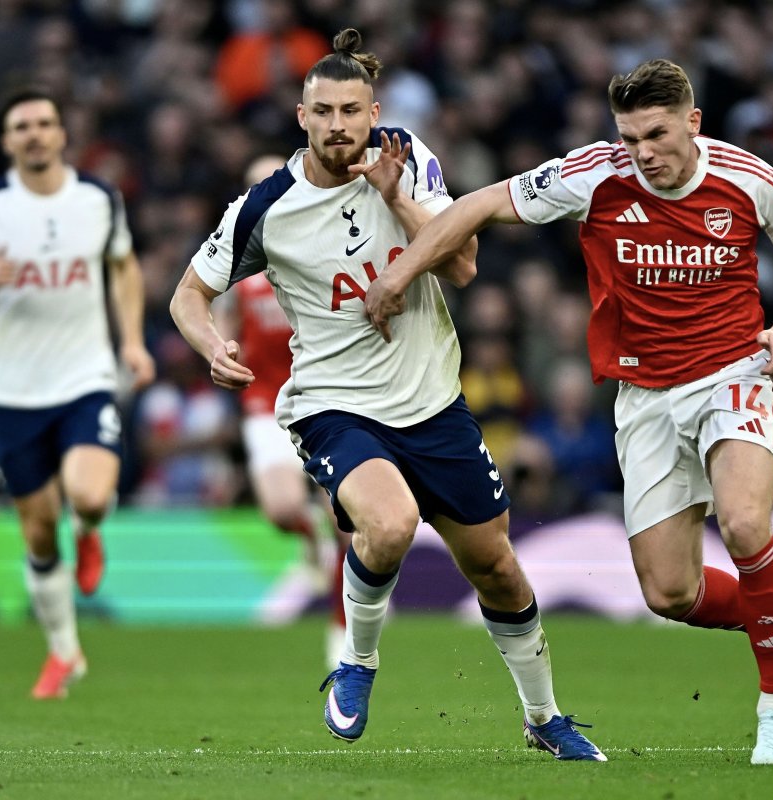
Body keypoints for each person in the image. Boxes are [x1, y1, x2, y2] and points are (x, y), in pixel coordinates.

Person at [365, 59, 773, 765]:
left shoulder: (748, 178)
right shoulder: (594, 175)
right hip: (646, 395)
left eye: (656, 134)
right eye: (629, 138)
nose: (643, 153)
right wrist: (401, 271)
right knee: (670, 592)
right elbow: (475, 208)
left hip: (736, 373)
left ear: (693, 122)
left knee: (745, 524)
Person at [170, 29, 605, 761]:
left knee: (496, 567)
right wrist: (213, 345)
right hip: (334, 405)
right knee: (390, 522)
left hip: (432, 403)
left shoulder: (407, 158)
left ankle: (544, 717)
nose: (338, 125)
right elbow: (188, 293)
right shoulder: (266, 207)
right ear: (301, 118)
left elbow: (462, 266)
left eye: (351, 110)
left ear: (373, 113)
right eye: (323, 112)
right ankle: (358, 661)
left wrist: (396, 196)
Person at [0, 88, 154, 699]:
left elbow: (124, 265)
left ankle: (88, 528)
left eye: (44, 123)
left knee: (89, 494)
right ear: (7, 141)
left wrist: (132, 342)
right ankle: (64, 653)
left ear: (62, 134)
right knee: (36, 531)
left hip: (85, 377)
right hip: (12, 389)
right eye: (21, 126)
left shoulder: (98, 198)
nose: (34, 133)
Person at [235, 153, 348, 667]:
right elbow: (220, 318)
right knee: (282, 510)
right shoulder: (235, 257)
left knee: (347, 523)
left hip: (323, 392)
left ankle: (343, 637)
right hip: (265, 398)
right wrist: (221, 349)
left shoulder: (319, 244)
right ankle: (310, 539)